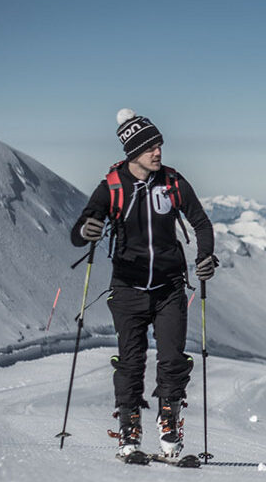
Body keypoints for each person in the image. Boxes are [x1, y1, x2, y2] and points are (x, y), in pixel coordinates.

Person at [70, 108, 216, 460]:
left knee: (172, 361)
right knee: (131, 363)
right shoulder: (111, 186)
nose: (158, 152)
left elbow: (201, 223)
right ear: (132, 152)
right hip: (128, 288)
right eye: (150, 147)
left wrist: (205, 257)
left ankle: (169, 428)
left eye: (159, 145)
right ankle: (129, 431)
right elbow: (81, 230)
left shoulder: (174, 182)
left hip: (169, 287)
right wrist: (86, 230)